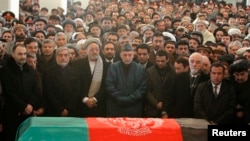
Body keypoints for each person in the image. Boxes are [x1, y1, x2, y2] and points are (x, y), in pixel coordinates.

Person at [0, 44, 44, 141]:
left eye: (24, 54)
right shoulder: (5, 70)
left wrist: (31, 105)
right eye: (20, 54)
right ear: (13, 54)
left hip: (29, 112)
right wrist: (24, 106)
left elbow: (36, 90)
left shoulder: (30, 69)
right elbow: (8, 92)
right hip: (12, 113)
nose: (23, 56)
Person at [105, 43, 147, 117]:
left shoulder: (140, 69)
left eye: (129, 55)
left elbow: (142, 88)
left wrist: (129, 99)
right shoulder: (113, 67)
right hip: (116, 106)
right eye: (125, 55)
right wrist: (120, 98)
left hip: (134, 107)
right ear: (120, 55)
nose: (127, 57)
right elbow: (109, 86)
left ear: (133, 55)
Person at [165, 52, 209, 118]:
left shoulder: (207, 80)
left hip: (198, 117)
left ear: (202, 64)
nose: (194, 64)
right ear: (189, 63)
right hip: (179, 115)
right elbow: (170, 96)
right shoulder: (179, 77)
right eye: (192, 61)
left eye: (198, 62)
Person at [73, 38, 108, 117]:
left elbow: (106, 86)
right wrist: (85, 99)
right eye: (91, 49)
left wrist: (95, 99)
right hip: (81, 104)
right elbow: (76, 84)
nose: (94, 52)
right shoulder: (77, 64)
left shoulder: (106, 65)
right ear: (86, 50)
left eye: (96, 49)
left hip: (99, 105)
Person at [43, 47, 81, 117]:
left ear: (69, 57)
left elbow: (77, 91)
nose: (63, 58)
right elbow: (48, 92)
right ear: (56, 57)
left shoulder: (75, 72)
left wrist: (68, 108)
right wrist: (60, 109)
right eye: (60, 55)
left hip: (71, 110)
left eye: (66, 55)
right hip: (54, 110)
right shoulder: (48, 72)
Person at [145, 50, 175, 117]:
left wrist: (165, 105)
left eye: (162, 61)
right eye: (158, 61)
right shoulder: (149, 72)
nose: (160, 63)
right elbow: (147, 91)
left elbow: (174, 91)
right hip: (153, 108)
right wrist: (156, 103)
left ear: (167, 60)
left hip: (169, 108)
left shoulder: (173, 71)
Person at [230, 59, 250, 125]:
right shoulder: (230, 83)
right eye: (237, 74)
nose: (239, 77)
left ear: (248, 72)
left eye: (242, 74)